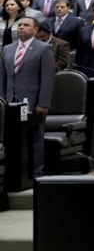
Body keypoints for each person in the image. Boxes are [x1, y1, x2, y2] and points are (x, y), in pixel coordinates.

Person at [0, 17, 55, 176]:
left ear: (35, 30)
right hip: (11, 102)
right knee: (11, 138)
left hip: (33, 102)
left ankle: (37, 173)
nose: (21, 28)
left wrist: (43, 103)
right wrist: (2, 101)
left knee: (35, 138)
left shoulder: (44, 49)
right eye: (20, 25)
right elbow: (3, 78)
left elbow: (47, 78)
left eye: (26, 25)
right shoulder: (8, 49)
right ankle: (15, 173)